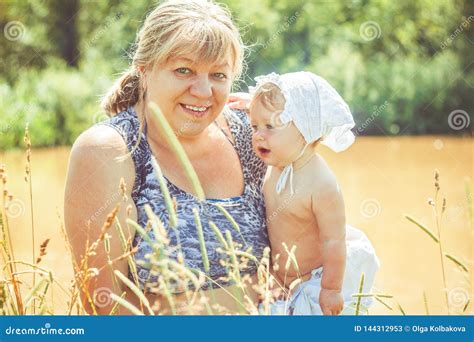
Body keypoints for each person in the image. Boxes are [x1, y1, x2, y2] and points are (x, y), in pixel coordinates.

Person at [64, 0, 269, 315]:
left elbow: (308, 238)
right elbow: (104, 308)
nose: (203, 90)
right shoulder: (108, 152)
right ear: (145, 70)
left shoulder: (250, 135)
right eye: (183, 70)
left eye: (218, 75)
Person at [230, 71, 379, 315]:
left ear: (307, 128)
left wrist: (330, 289)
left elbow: (334, 241)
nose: (258, 135)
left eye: (270, 126)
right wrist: (255, 107)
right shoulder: (279, 162)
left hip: (315, 279)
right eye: (255, 125)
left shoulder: (321, 184)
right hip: (280, 277)